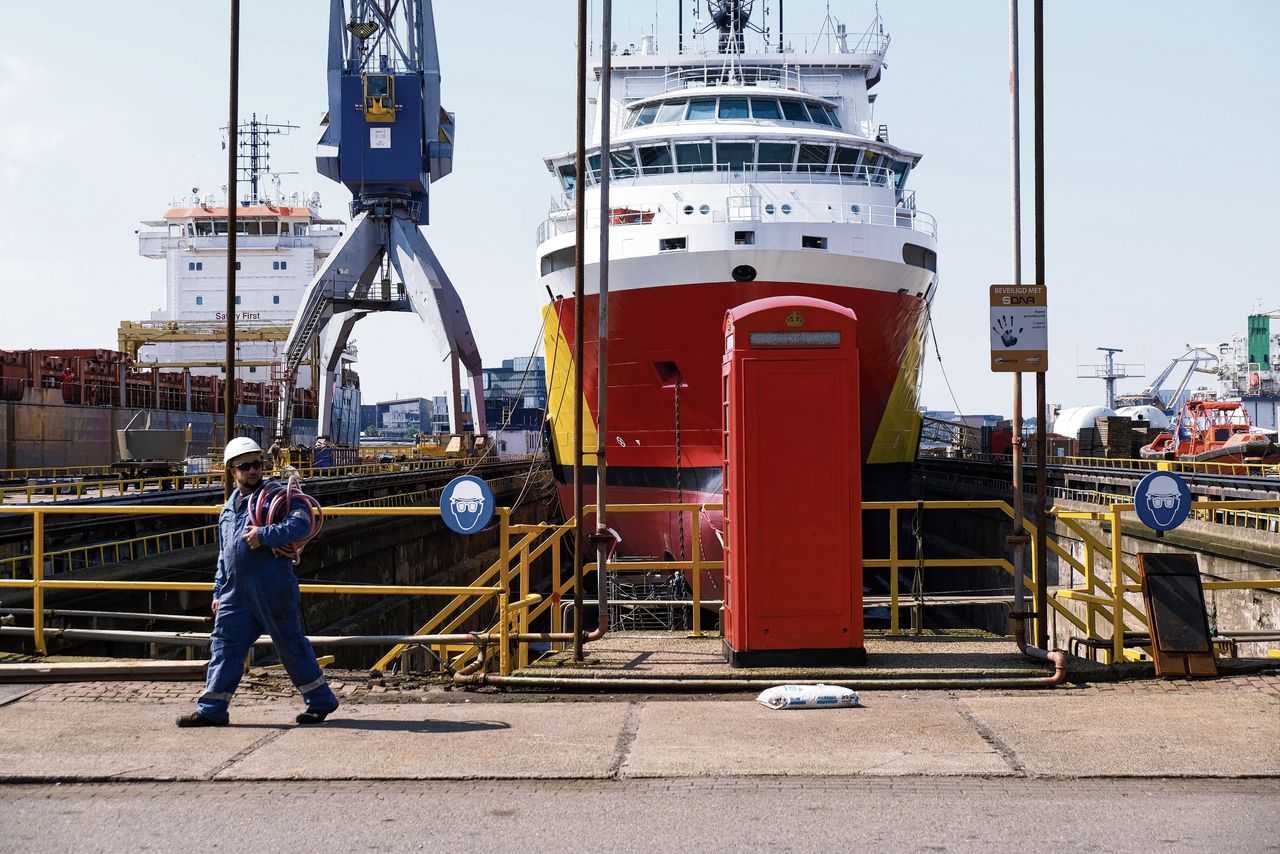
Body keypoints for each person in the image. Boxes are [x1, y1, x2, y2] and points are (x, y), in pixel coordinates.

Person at [177, 437, 338, 727]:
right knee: (224, 645)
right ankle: (212, 709)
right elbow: (224, 556)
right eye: (245, 466)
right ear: (231, 471)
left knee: (289, 644)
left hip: (272, 586)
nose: (253, 470)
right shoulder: (228, 511)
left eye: (257, 464)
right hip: (235, 593)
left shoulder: (277, 498)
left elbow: (302, 523)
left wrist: (263, 535)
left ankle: (320, 701)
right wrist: (218, 590)